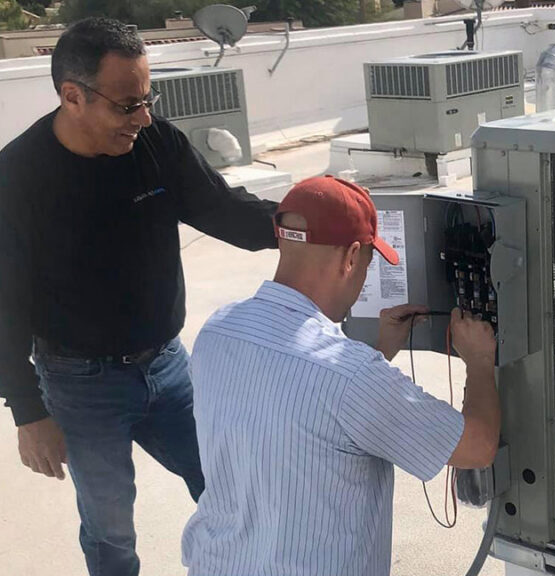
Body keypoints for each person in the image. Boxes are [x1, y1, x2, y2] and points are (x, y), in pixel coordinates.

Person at [0, 17, 279, 576]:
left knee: (232, 489)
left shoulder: (156, 144)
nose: (144, 117)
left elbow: (223, 211)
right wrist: (29, 412)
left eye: (148, 99)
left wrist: (305, 223)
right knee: (110, 531)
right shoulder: (18, 177)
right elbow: (5, 305)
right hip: (81, 386)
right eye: (127, 105)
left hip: (169, 366)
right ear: (71, 95)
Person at [181, 175, 500, 576]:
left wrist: (379, 350)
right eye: (368, 263)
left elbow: (300, 402)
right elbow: (477, 446)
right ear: (351, 256)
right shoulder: (352, 377)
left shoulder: (218, 331)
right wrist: (480, 361)